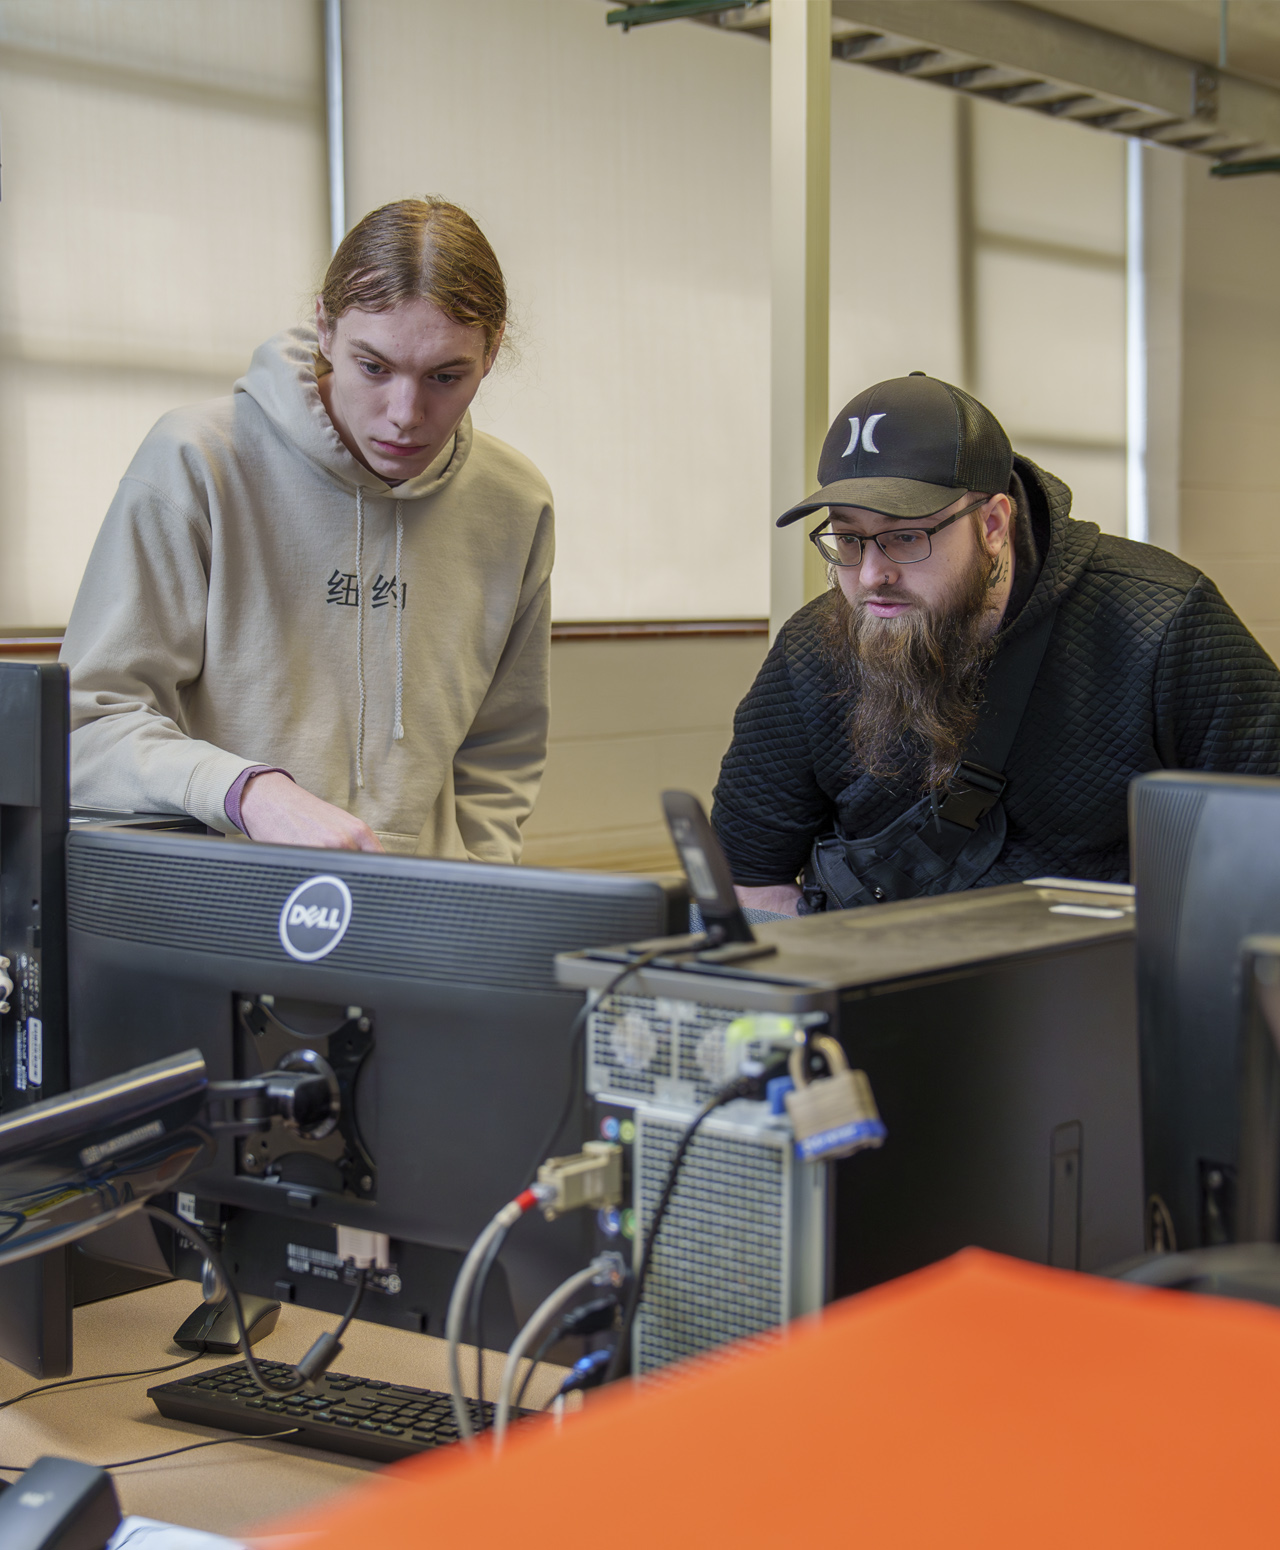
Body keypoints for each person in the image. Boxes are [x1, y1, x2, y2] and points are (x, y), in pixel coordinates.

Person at [61, 198, 553, 860]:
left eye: (445, 376)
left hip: (418, 925)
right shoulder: (198, 459)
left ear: (491, 353)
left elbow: (502, 752)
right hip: (226, 917)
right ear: (324, 327)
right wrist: (250, 792)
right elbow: (87, 728)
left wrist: (477, 894)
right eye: (374, 367)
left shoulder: (513, 503)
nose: (406, 413)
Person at [712, 372, 1280, 915]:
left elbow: (1266, 848)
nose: (869, 576)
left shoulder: (1161, 623)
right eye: (849, 539)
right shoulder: (813, 647)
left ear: (992, 524)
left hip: (1103, 988)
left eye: (905, 537)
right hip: (884, 991)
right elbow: (749, 878)